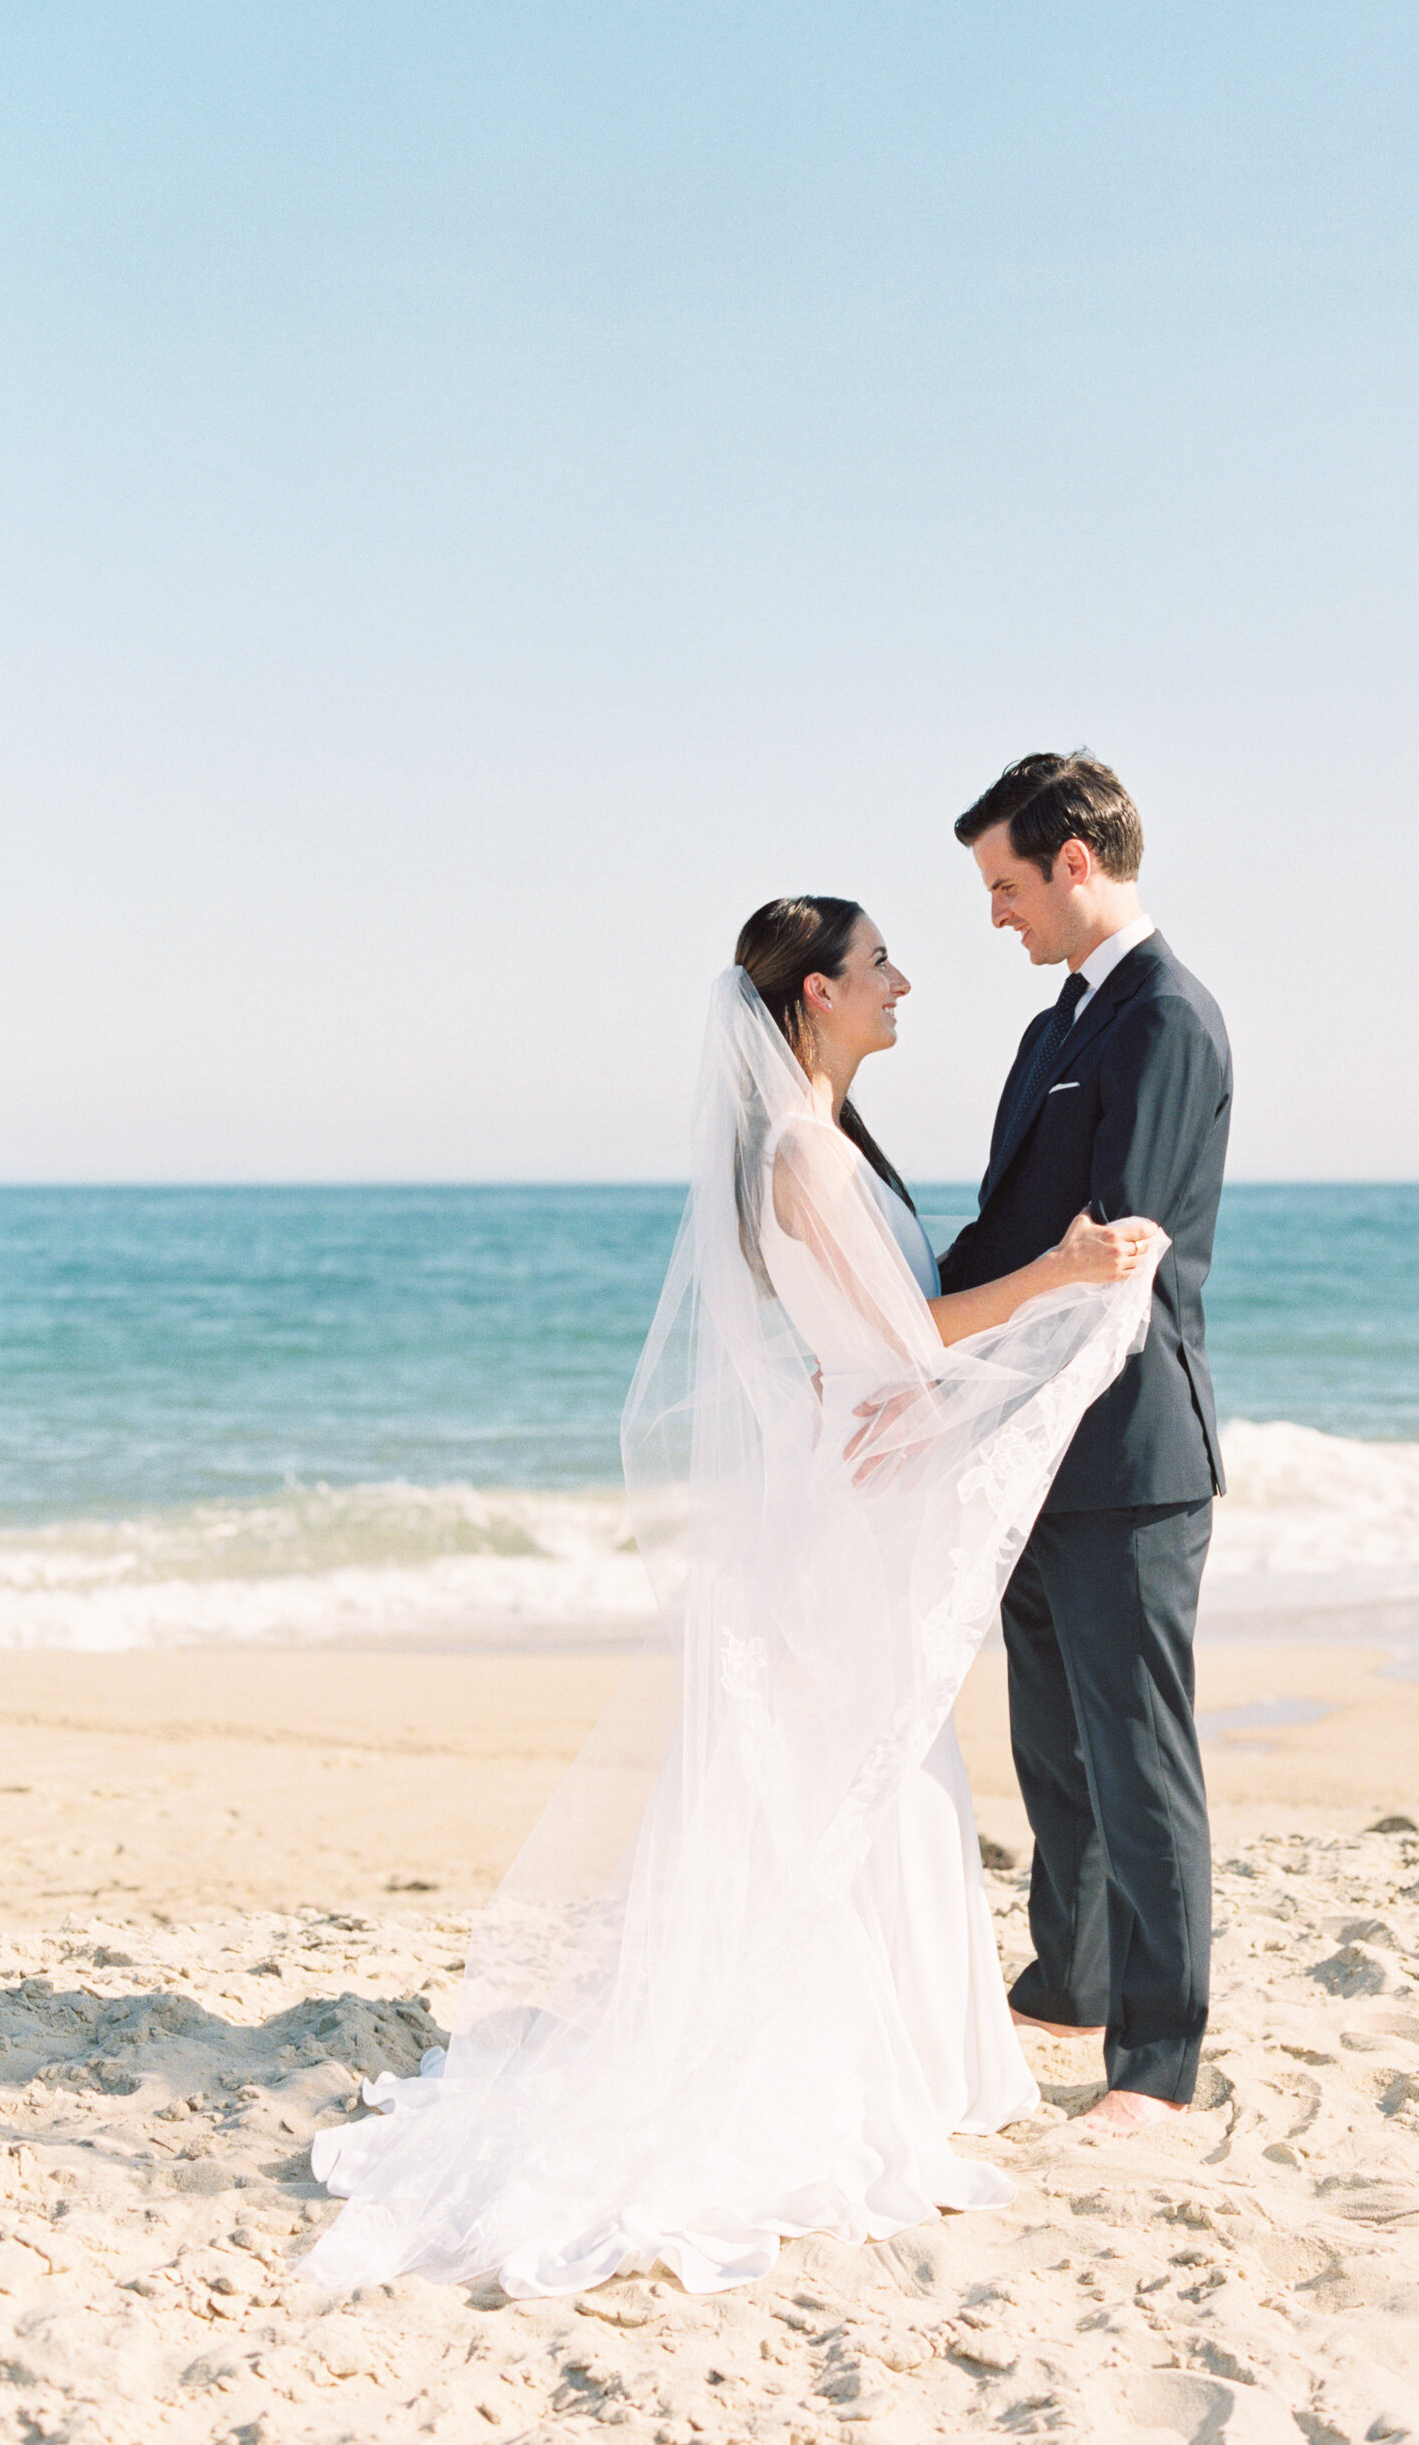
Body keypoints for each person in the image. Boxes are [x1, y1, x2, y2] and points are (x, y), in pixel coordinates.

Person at [299, 895, 1164, 2299]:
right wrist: (1061, 1274)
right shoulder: (799, 1157)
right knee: (857, 1774)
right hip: (836, 1522)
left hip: (849, 1490)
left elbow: (865, 1345)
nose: (903, 982)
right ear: (815, 994)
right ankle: (868, 2061)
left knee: (882, 1769)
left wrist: (911, 1362)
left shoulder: (825, 1147)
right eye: (879, 963)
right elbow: (896, 1337)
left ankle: (925, 2057)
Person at [936, 754, 1232, 2135]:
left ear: (1070, 861)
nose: (993, 914)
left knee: (1135, 1753)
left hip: (1124, 1458)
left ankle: (1156, 2065)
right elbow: (1008, 1237)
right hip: (1027, 1454)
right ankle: (1069, 1982)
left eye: (1003, 884)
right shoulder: (1054, 1026)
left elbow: (1119, 1255)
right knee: (1052, 1745)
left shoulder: (1167, 1018)